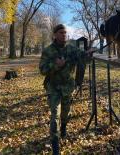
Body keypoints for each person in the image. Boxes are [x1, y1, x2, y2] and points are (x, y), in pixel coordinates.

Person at [39, 24, 92, 155]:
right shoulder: (48, 51)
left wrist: (88, 54)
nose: (64, 35)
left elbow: (84, 58)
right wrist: (56, 65)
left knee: (65, 113)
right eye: (61, 32)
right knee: (54, 115)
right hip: (53, 87)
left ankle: (63, 128)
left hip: (68, 87)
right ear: (55, 35)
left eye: (65, 33)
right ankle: (55, 145)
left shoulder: (71, 49)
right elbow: (42, 70)